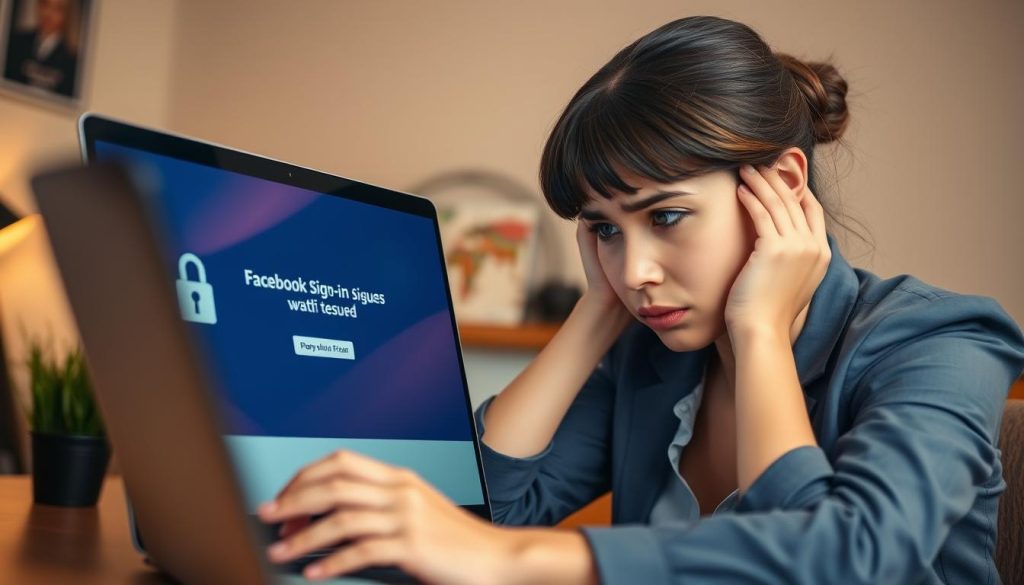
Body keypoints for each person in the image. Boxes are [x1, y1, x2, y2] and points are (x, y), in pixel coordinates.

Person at [255, 16, 1024, 584]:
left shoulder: (943, 341)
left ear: (783, 187)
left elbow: (850, 561)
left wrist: (758, 333)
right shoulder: (650, 352)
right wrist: (594, 318)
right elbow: (482, 515)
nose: (636, 269)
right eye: (603, 230)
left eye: (664, 217)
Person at [3, 0, 80, 97]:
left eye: (58, 9)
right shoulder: (16, 42)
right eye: (45, 5)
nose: (49, 13)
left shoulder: (71, 60)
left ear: (67, 15)